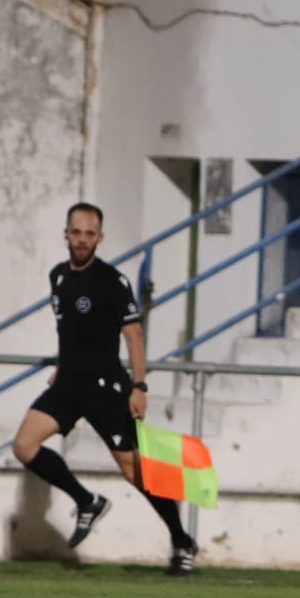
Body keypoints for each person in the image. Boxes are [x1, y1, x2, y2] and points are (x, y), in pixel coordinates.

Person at [11, 202, 201, 576]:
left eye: (89, 234)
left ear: (100, 237)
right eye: (76, 232)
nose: (82, 240)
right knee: (24, 446)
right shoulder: (58, 277)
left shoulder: (112, 282)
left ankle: (181, 541)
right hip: (68, 385)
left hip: (104, 386)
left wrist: (139, 386)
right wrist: (61, 366)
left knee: (136, 472)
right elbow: (67, 329)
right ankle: (87, 501)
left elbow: (134, 336)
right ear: (66, 234)